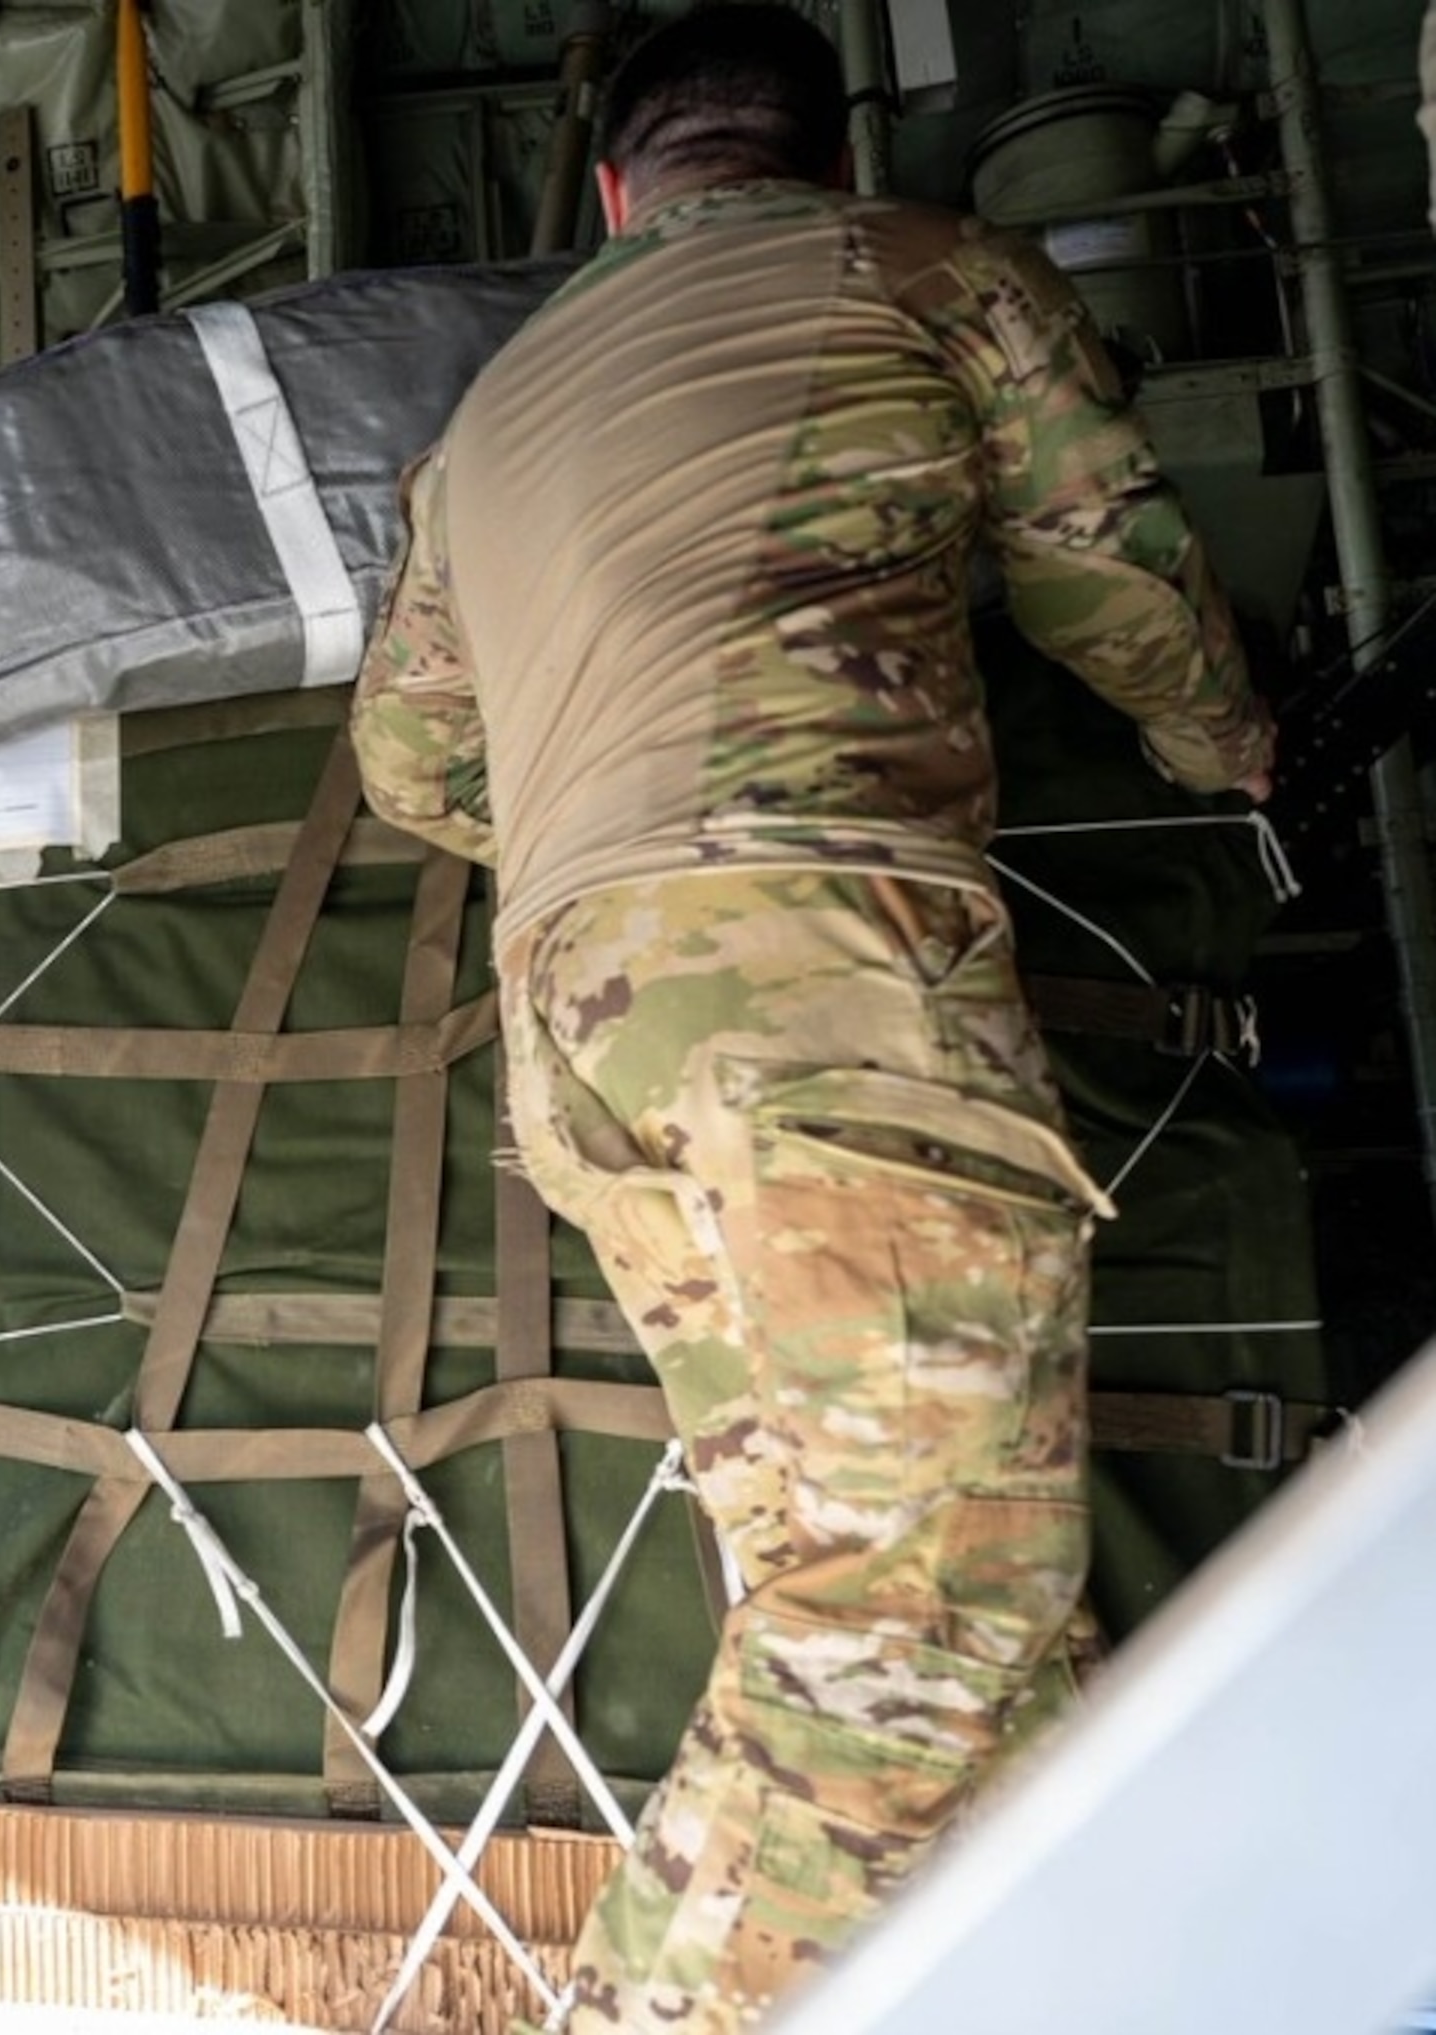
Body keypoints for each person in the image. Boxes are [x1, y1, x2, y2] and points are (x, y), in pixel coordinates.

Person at [346, 8, 1273, 2030]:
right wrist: (1239, 745)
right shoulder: (927, 268)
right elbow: (1118, 579)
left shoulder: (489, 417)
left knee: (909, 1630)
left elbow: (414, 764)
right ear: (826, 151)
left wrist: (616, 833)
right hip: (817, 985)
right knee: (914, 1635)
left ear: (614, 189)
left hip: (586, 1032)